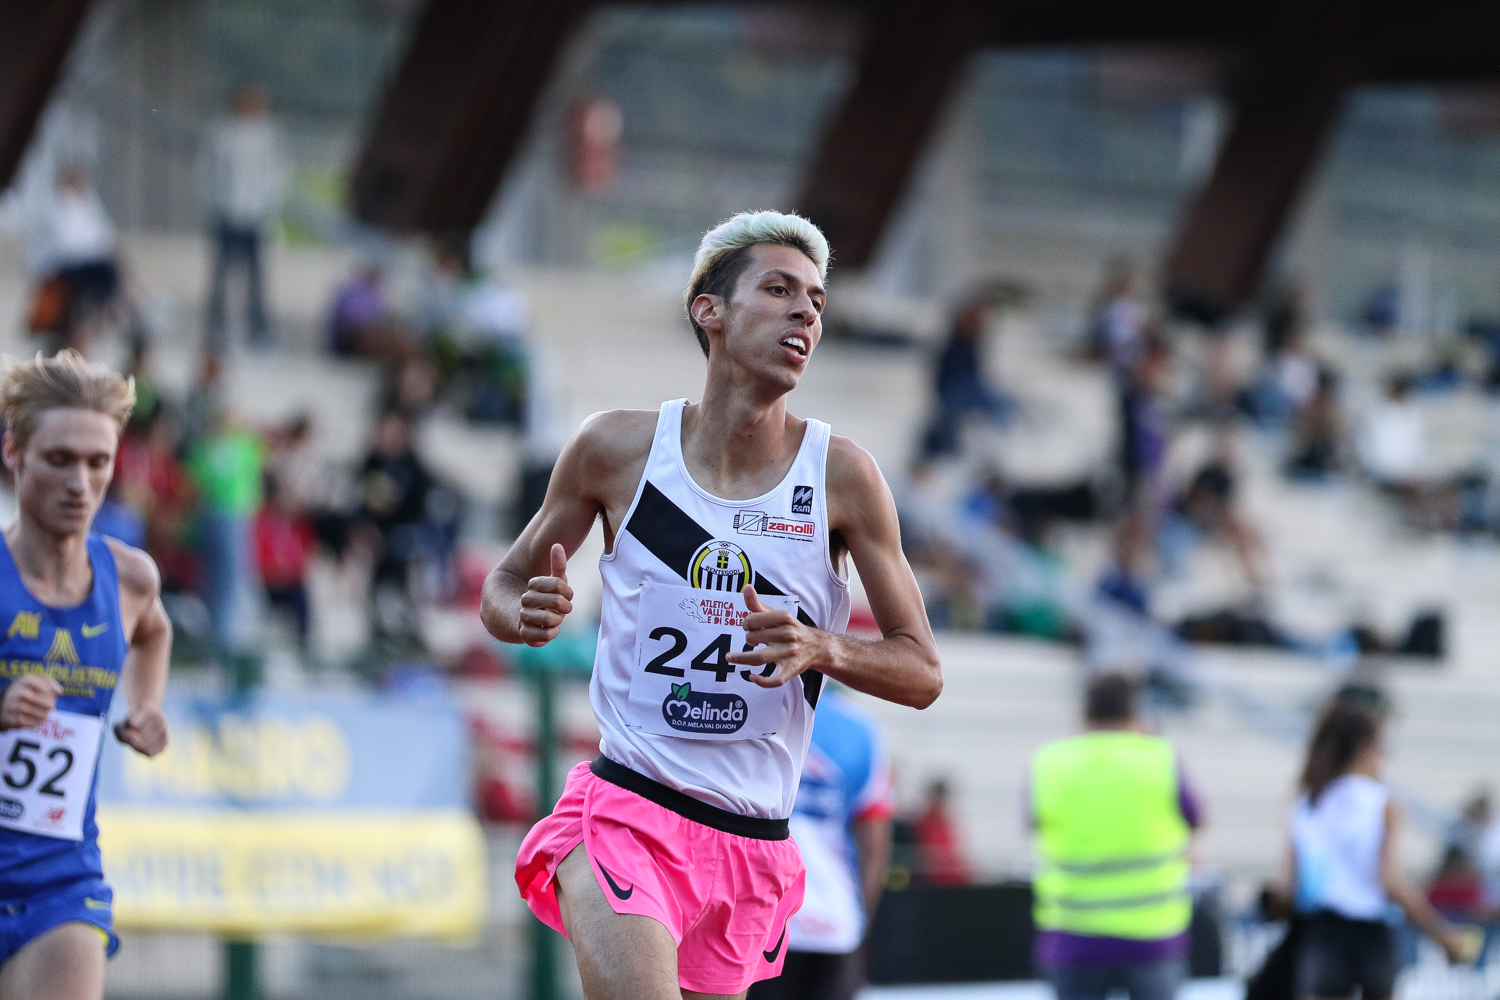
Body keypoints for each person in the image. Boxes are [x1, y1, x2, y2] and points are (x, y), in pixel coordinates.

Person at [483, 211, 942, 1000]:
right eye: (780, 290)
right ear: (710, 310)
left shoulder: (844, 477)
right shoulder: (615, 449)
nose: (806, 314)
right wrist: (524, 610)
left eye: (817, 302)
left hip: (750, 843)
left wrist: (821, 646)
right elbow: (503, 584)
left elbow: (923, 671)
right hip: (628, 810)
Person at [0, 350, 172, 1000]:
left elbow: (154, 630)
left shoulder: (130, 579)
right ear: (14, 453)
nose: (80, 483)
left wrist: (146, 704)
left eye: (98, 462)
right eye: (59, 459)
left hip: (60, 882)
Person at [1275, 695, 1470, 1000]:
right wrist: (1443, 935)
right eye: (1384, 748)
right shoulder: (1382, 804)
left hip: (1323, 937)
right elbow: (1390, 882)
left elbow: (1287, 892)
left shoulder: (1308, 804)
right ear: (1363, 749)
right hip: (1373, 939)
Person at [1030, 672, 1204, 1000]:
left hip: (1073, 938)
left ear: (1084, 712)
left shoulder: (1050, 762)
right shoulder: (1160, 758)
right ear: (1135, 713)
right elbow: (1195, 820)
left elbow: (1035, 824)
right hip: (1152, 938)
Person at [747, 687, 894, 1000]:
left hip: (755, 921)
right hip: (834, 924)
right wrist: (860, 923)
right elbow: (875, 843)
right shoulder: (859, 726)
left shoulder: (748, 703)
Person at [202, 81, 288, 351]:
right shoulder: (221, 131)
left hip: (256, 217)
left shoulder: (269, 134)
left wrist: (266, 205)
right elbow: (207, 170)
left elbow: (278, 174)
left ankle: (257, 330)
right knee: (221, 276)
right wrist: (217, 201)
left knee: (256, 279)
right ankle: (217, 329)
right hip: (227, 213)